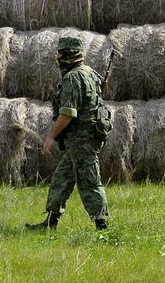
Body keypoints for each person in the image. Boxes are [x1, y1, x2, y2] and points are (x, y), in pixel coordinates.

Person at [26, 36, 110, 231]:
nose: (57, 57)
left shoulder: (73, 77)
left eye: (60, 53)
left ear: (67, 55)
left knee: (89, 181)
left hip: (82, 140)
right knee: (61, 180)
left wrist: (50, 136)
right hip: (82, 139)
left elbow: (67, 113)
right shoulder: (90, 72)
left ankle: (102, 227)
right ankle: (50, 223)